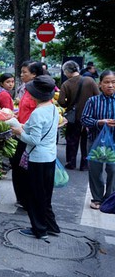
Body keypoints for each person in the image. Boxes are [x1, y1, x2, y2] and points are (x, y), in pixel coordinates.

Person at [11, 75, 61, 239]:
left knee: (34, 195)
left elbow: (34, 140)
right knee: (45, 194)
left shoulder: (38, 112)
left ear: (37, 95)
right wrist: (25, 126)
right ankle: (51, 225)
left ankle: (39, 229)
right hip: (50, 157)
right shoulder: (53, 108)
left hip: (38, 159)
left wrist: (19, 133)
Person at [11, 60, 45, 209]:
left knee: (24, 167)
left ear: (34, 74)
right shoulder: (25, 89)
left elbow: (38, 113)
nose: (22, 75)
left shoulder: (38, 92)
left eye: (25, 72)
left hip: (30, 134)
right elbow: (24, 109)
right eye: (22, 71)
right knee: (18, 165)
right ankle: (22, 198)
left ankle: (27, 200)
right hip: (21, 131)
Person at [81, 70, 115, 210]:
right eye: (107, 82)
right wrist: (100, 122)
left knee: (113, 170)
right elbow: (84, 119)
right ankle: (97, 198)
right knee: (95, 170)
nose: (110, 85)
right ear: (100, 84)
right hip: (96, 142)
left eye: (113, 82)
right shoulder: (93, 101)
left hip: (113, 143)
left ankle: (110, 197)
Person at [58, 60, 100, 170]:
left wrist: (70, 104)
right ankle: (84, 165)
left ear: (67, 71)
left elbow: (61, 101)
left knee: (72, 140)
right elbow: (98, 97)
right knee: (86, 140)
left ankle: (71, 163)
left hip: (74, 117)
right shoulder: (90, 81)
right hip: (89, 117)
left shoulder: (66, 84)